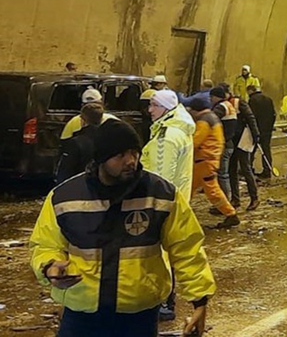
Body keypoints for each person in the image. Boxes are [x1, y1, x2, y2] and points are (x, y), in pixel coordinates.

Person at [29, 120, 216, 337]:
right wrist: (50, 267)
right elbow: (44, 244)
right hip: (82, 316)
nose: (131, 161)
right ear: (101, 159)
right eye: (120, 155)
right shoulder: (64, 197)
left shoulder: (161, 195)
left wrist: (199, 301)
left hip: (138, 317)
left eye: (134, 153)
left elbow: (187, 248)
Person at [187, 99, 240, 229]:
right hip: (208, 160)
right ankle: (181, 211)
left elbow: (195, 141)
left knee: (211, 190)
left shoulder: (204, 121)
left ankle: (231, 214)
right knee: (189, 189)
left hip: (204, 161)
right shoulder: (212, 118)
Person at [140, 90, 195, 202]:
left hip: (165, 206)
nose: (150, 109)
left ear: (167, 107)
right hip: (179, 199)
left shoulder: (166, 138)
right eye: (150, 104)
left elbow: (161, 180)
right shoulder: (179, 128)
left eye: (155, 105)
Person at [227, 90, 260, 210]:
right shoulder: (224, 104)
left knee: (245, 168)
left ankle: (254, 198)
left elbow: (250, 117)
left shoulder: (238, 102)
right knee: (232, 169)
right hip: (232, 140)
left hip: (243, 139)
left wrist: (256, 135)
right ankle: (235, 199)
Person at [55, 103, 103, 184]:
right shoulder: (108, 139)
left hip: (80, 188)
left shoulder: (76, 143)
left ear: (82, 120)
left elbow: (65, 173)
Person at [247, 85, 276, 177]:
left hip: (257, 130)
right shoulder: (268, 99)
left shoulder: (252, 100)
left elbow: (252, 116)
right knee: (266, 149)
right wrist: (270, 126)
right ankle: (267, 170)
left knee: (251, 149)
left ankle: (249, 168)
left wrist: (252, 129)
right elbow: (274, 114)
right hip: (267, 129)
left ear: (250, 91)